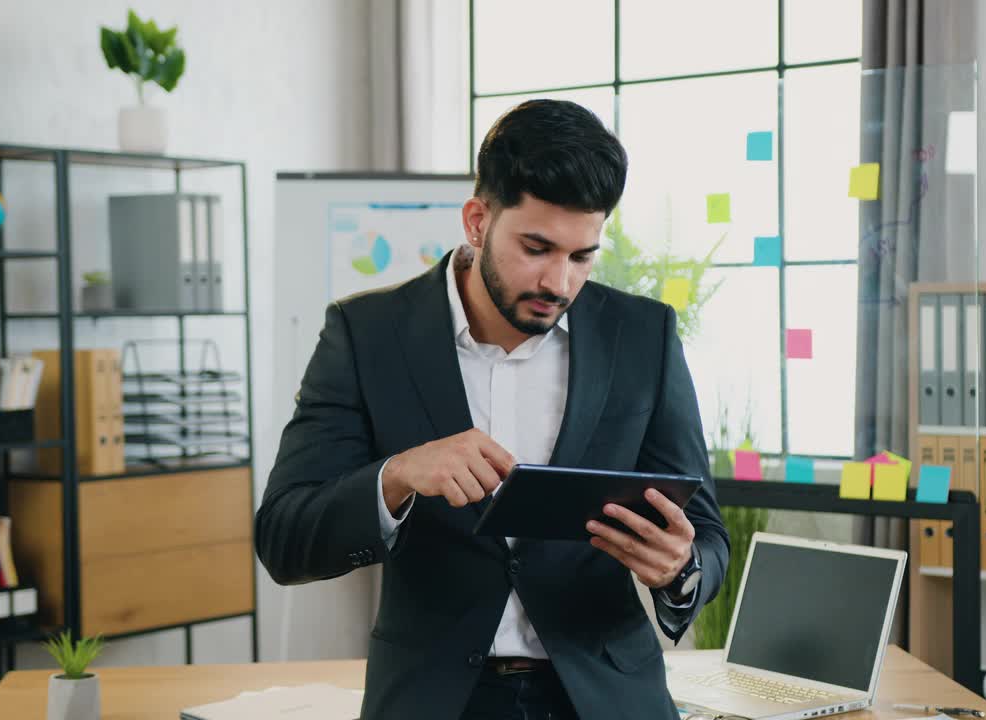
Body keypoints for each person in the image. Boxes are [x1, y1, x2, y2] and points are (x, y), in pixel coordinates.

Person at [256, 99, 728, 720]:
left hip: (607, 699)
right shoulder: (365, 335)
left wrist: (680, 566)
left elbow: (707, 534)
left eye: (582, 256)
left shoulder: (643, 336)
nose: (559, 283)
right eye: (536, 248)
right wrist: (396, 476)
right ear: (477, 221)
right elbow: (285, 538)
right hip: (434, 701)